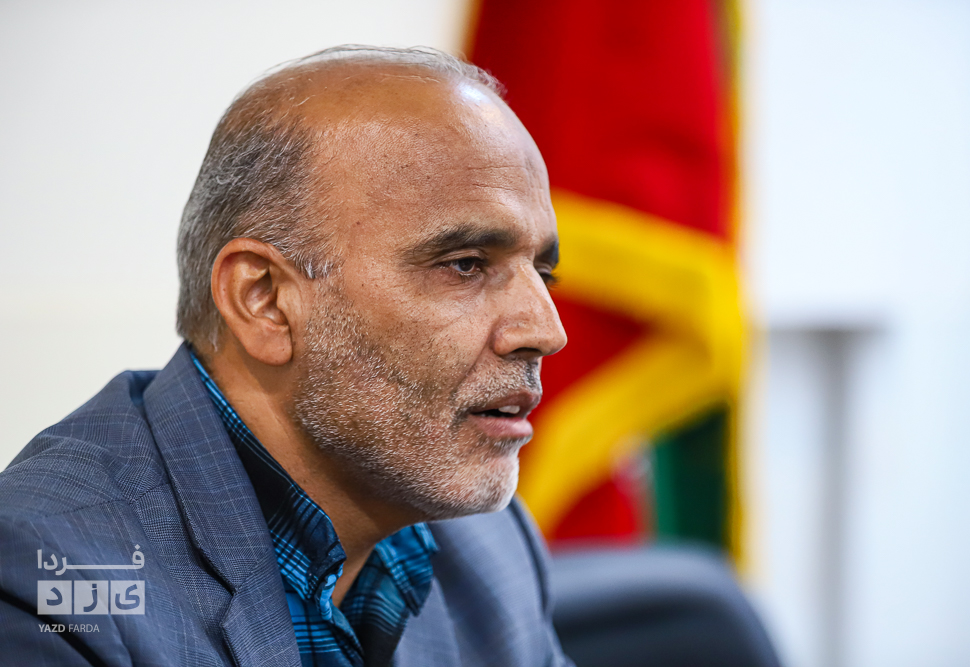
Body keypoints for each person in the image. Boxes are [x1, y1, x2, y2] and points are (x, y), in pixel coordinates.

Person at [0, 45, 571, 667]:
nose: (546, 330)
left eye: (543, 273)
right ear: (265, 301)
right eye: (465, 265)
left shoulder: (489, 543)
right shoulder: (48, 582)